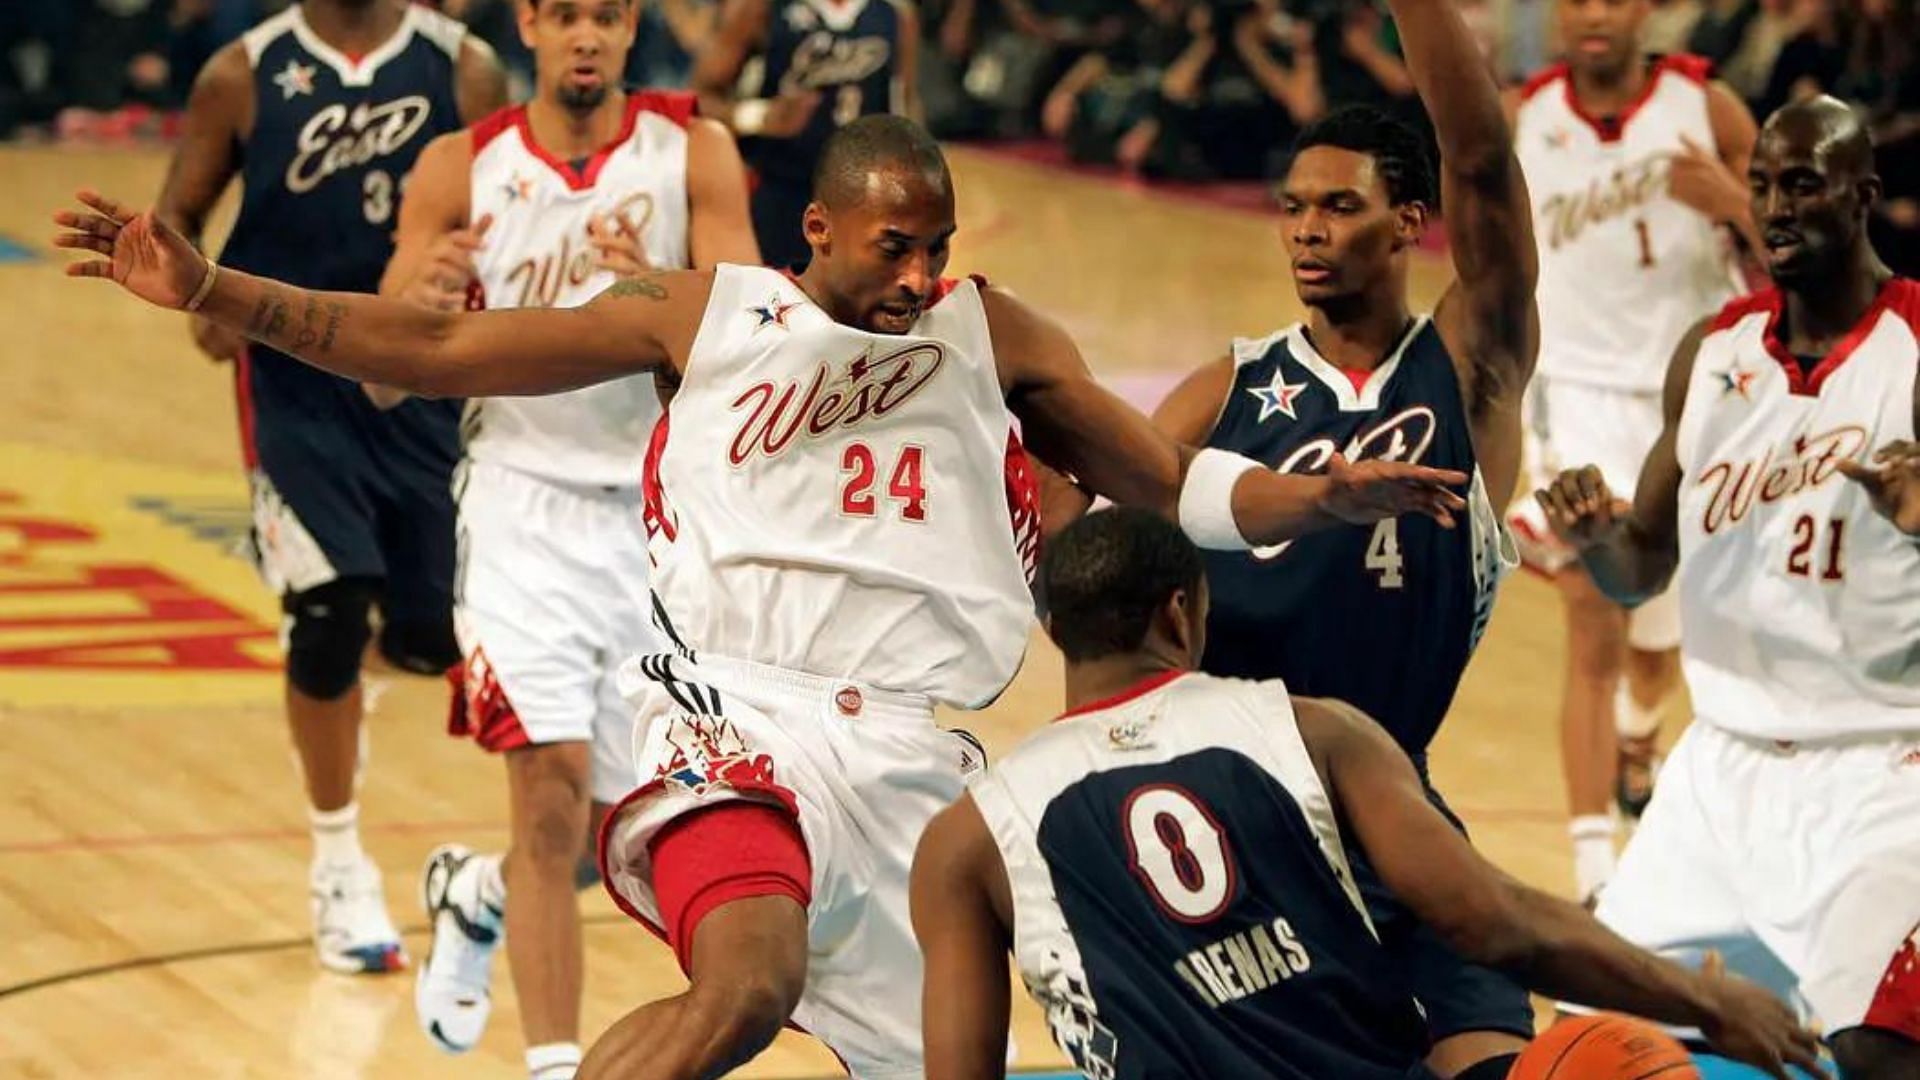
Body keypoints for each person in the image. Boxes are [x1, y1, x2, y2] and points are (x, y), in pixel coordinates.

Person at [54, 112, 1470, 1077]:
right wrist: (217, 292)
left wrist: (1319, 499)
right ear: (818, 230)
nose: (918, 278)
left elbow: (1175, 481)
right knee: (745, 986)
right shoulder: (711, 318)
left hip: (917, 758)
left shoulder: (994, 335)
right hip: (731, 716)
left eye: (938, 247)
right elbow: (443, 345)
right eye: (891, 250)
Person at [910, 506, 1822, 1080]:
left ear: (1058, 631)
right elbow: (1491, 920)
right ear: (1182, 613)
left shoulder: (969, 839)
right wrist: (1707, 1004)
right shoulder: (1311, 729)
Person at [1141, 0, 1537, 1068]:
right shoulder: (1228, 383)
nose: (1308, 229)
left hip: (1396, 802)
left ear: (1412, 221)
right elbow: (1091, 559)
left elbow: (1485, 158)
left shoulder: (1465, 364)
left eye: (1340, 206)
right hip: (1236, 824)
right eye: (1293, 207)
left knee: (1493, 1054)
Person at [372, 1, 759, 1076]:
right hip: (517, 502)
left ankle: (477, 893)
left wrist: (664, 293)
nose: (586, 34)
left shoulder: (697, 155)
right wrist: (422, 298)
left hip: (653, 519)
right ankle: (553, 1062)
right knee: (544, 801)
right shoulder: (459, 165)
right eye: (566, 13)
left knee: (615, 828)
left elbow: (752, 367)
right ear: (530, 24)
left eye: (606, 14)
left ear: (630, 26)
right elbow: (378, 371)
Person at [1535, 95, 1920, 1078]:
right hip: (1715, 773)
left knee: (1877, 1056)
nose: (1776, 207)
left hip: (1879, 772)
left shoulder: (1914, 350)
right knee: (1580, 1046)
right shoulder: (1711, 355)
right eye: (1762, 187)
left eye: (1803, 184)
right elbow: (1640, 570)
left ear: (1864, 195)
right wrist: (1594, 540)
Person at [152, 0, 507, 975]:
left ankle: (342, 675)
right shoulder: (243, 72)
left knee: (436, 639)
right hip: (294, 380)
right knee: (329, 615)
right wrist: (200, 294)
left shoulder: (462, 68)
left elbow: (507, 212)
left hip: (418, 375)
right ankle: (338, 857)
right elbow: (179, 211)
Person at [1505, 0, 1758, 901]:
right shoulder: (1523, 118)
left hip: (1698, 400)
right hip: (1573, 402)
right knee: (1592, 618)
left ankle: (1638, 730)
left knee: (1661, 641)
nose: (1595, 13)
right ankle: (1595, 880)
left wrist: (1736, 202)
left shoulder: (1707, 108)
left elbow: (1799, 254)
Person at [690, 0, 919, 269]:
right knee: (774, 304)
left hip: (862, 202)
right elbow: (698, 100)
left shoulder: (896, 13)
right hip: (781, 195)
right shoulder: (759, 8)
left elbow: (907, 106)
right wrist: (759, 116)